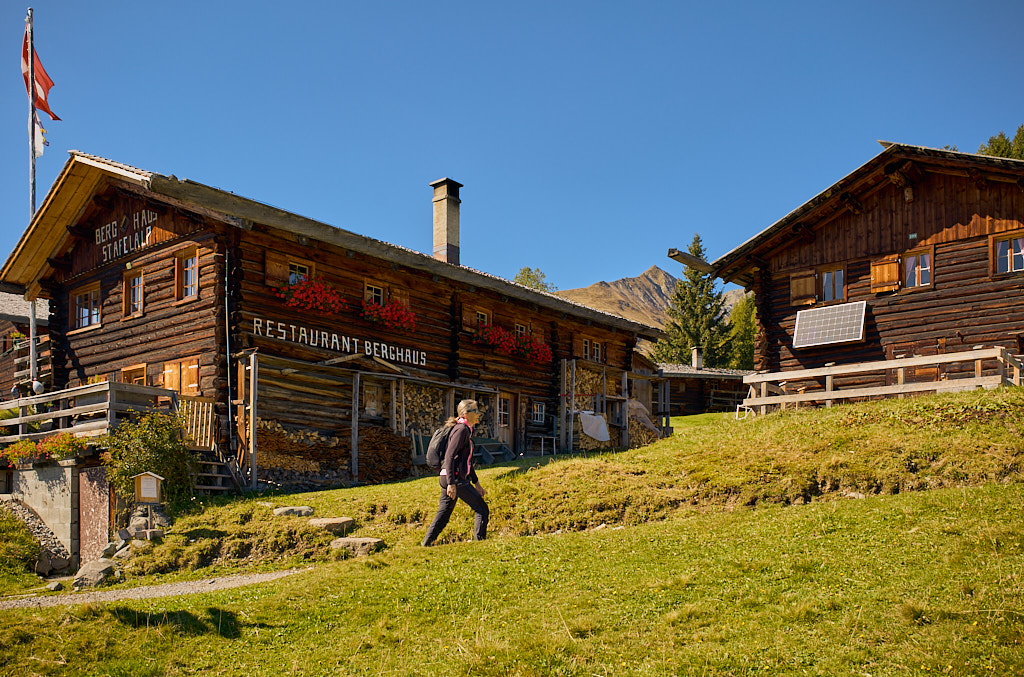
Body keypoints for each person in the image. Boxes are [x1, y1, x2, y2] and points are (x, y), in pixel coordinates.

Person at [422, 399, 489, 546]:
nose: (478, 414)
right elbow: (450, 456)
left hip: (449, 477)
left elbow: (467, 462)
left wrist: (476, 483)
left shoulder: (464, 430)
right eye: (475, 411)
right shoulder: (461, 430)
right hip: (455, 478)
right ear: (465, 414)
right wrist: (451, 483)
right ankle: (480, 544)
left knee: (444, 514)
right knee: (482, 509)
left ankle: (426, 544)